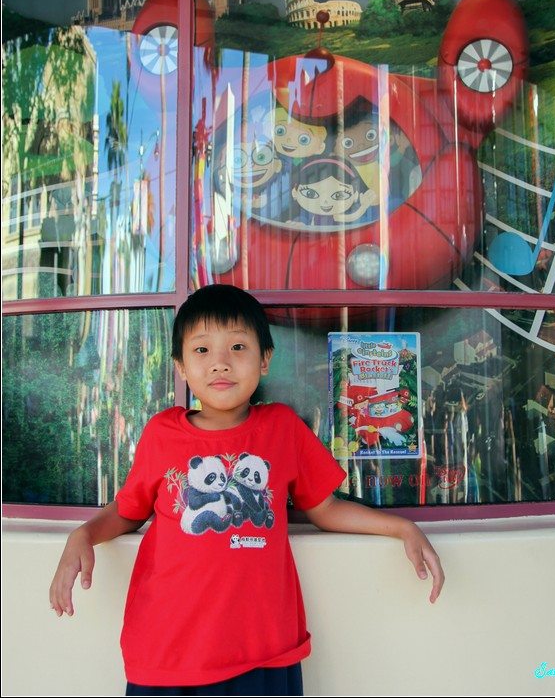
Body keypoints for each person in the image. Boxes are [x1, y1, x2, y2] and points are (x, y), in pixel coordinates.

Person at [49, 284, 444, 696]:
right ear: (181, 366)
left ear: (265, 359)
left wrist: (400, 527)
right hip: (167, 654)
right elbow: (128, 510)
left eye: (238, 347)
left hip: (262, 652)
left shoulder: (283, 428)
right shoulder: (161, 433)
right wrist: (84, 534)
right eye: (202, 350)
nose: (220, 363)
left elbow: (324, 508)